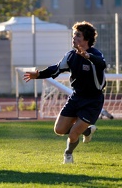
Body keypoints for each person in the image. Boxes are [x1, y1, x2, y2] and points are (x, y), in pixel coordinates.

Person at [23, 21, 106, 164]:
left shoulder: (96, 55)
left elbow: (101, 64)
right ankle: (87, 131)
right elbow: (56, 68)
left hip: (93, 101)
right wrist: (39, 74)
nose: (74, 38)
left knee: (73, 133)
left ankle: (68, 154)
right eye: (73, 35)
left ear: (86, 39)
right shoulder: (71, 56)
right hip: (76, 97)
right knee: (59, 129)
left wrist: (88, 57)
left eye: (77, 36)